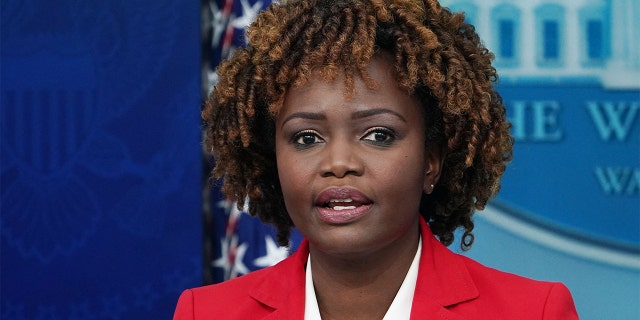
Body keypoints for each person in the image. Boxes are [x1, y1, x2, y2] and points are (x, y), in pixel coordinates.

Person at [175, 0, 579, 318]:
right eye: (306, 137)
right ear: (270, 159)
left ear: (431, 161)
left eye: (378, 135)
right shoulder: (206, 313)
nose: (338, 163)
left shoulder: (532, 312)